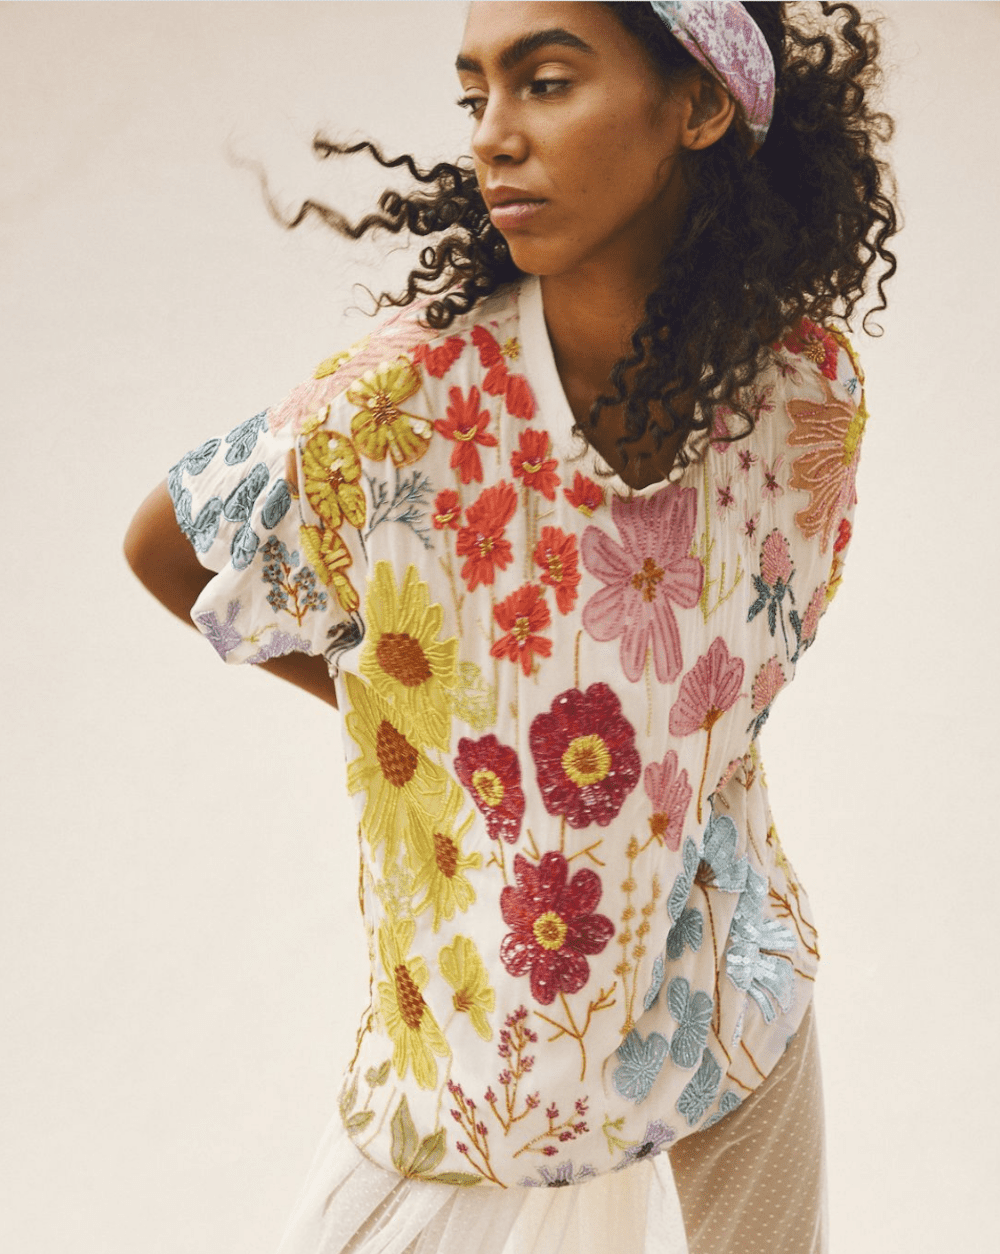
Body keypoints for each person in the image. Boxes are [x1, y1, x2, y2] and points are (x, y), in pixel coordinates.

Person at [124, 3, 897, 1251]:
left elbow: (727, 682)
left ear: (697, 106)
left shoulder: (805, 395)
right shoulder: (395, 410)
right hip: (488, 1042)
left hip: (729, 986)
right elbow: (170, 547)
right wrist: (417, 718)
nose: (494, 137)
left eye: (543, 83)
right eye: (475, 94)